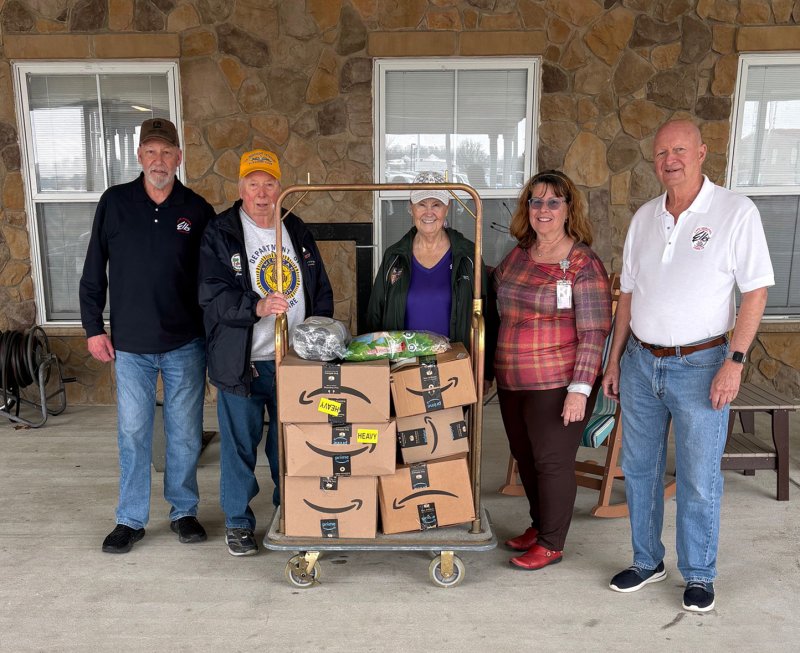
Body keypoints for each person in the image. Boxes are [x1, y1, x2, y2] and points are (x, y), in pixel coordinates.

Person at [602, 120, 774, 612]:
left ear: (702, 152)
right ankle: (646, 561)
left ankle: (698, 573)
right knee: (639, 469)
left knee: (699, 477)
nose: (669, 160)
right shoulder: (644, 218)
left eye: (679, 149)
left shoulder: (735, 211)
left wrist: (734, 362)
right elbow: (627, 296)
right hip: (640, 363)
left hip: (703, 365)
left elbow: (756, 292)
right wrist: (614, 362)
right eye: (661, 153)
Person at [79, 118, 215, 554]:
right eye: (151, 152)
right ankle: (130, 519)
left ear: (179, 157)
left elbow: (211, 280)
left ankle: (183, 511)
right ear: (139, 156)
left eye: (167, 152)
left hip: (185, 343)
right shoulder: (115, 203)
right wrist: (93, 328)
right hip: (131, 346)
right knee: (134, 433)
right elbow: (93, 270)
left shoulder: (197, 209)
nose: (159, 160)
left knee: (185, 434)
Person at [198, 149, 333, 556]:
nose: (262, 193)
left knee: (290, 442)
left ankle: (289, 511)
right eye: (253, 184)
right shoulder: (221, 232)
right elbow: (211, 296)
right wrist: (255, 307)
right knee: (240, 446)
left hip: (293, 361)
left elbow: (319, 289)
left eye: (269, 184)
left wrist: (317, 338)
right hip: (243, 361)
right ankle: (239, 522)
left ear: (280, 188)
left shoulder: (295, 227)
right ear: (241, 188)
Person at [494, 169, 611, 570]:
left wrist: (580, 389)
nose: (543, 209)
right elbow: (494, 293)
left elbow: (594, 331)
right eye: (536, 201)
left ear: (568, 209)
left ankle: (551, 542)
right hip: (512, 379)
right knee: (525, 456)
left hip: (558, 382)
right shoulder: (519, 254)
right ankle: (539, 524)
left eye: (553, 202)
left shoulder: (582, 263)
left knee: (551, 461)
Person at [366, 171, 497, 385]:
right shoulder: (394, 256)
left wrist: (486, 373)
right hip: (402, 370)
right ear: (411, 207)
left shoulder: (468, 255)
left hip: (455, 369)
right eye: (421, 204)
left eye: (436, 204)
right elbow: (375, 314)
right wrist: (373, 367)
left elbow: (487, 316)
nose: (429, 212)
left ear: (447, 208)